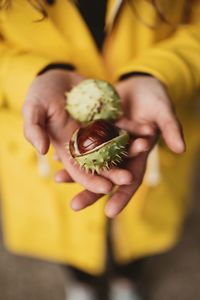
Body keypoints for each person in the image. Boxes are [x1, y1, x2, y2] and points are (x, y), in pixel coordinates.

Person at [0, 0, 200, 299]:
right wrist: (30, 76)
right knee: (68, 242)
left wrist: (161, 72)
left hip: (153, 132)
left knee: (137, 237)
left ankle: (127, 279)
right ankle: (81, 283)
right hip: (38, 145)